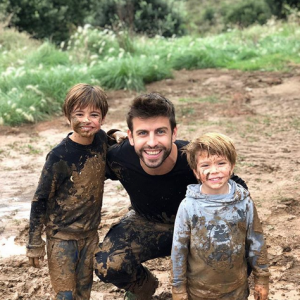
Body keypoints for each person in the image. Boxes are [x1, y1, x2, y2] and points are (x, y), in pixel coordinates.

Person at [95, 93, 249, 300]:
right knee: (107, 263)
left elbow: (238, 188)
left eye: (160, 132)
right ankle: (143, 288)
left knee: (234, 245)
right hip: (145, 222)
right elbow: (83, 166)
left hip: (196, 227)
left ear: (173, 133)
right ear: (130, 136)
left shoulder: (194, 159)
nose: (152, 143)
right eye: (142, 133)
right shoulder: (119, 158)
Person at [26, 83, 110, 300]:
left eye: (94, 114)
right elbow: (40, 200)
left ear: (102, 118)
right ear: (67, 116)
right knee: (65, 295)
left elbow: (110, 138)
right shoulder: (59, 156)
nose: (86, 120)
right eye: (79, 113)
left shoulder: (101, 141)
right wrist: (35, 243)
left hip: (90, 235)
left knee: (84, 291)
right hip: (62, 238)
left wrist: (117, 134)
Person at [171, 132, 270, 300]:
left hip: (236, 290)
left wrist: (262, 279)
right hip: (198, 292)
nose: (214, 171)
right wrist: (178, 287)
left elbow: (256, 241)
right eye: (205, 165)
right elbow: (178, 249)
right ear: (196, 172)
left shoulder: (244, 202)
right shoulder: (188, 206)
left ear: (231, 166)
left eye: (221, 163)